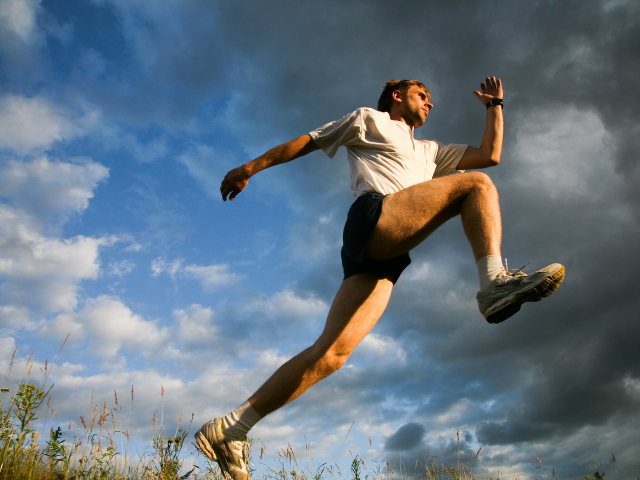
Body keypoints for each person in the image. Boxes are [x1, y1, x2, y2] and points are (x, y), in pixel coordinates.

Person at [195, 77, 565, 480]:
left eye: (430, 99)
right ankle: (493, 283)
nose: (430, 103)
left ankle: (232, 428)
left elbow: (490, 155)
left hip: (386, 253)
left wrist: (495, 107)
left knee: (332, 354)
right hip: (373, 218)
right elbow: (307, 141)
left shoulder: (432, 151)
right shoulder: (368, 120)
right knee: (476, 186)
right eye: (422, 95)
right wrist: (251, 167)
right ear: (397, 95)